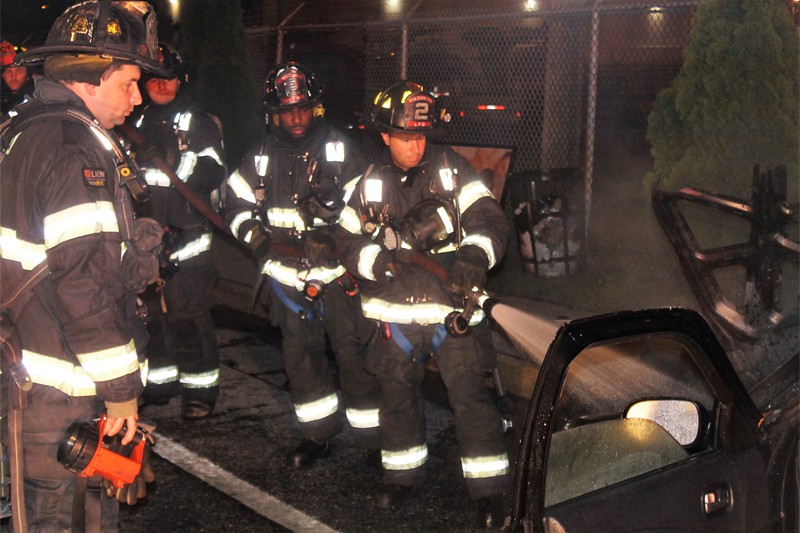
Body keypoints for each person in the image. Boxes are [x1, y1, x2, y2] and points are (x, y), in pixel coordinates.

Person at [0, 1, 170, 530]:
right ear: (88, 80)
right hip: (65, 398)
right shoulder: (76, 152)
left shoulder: (24, 133)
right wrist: (121, 392)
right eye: (128, 83)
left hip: (28, 386)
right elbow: (84, 287)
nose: (137, 98)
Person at [334, 80, 511, 528]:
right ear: (385, 136)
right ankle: (401, 476)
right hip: (392, 317)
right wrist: (378, 264)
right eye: (406, 137)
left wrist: (474, 254)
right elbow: (346, 239)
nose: (416, 145)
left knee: (470, 397)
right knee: (396, 397)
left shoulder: (452, 171)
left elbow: (489, 219)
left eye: (421, 136)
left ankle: (490, 490)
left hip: (450, 312)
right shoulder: (368, 185)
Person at [224, 62, 381, 468]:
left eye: (303, 109)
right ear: (272, 114)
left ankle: (373, 440)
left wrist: (330, 235)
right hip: (286, 280)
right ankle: (317, 435)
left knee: (354, 357)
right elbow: (234, 203)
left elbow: (366, 208)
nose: (296, 118)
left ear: (317, 108)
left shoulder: (341, 149)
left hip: (336, 279)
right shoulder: (259, 154)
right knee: (302, 361)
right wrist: (255, 238)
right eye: (287, 111)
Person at [127, 42, 226, 420]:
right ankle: (161, 383)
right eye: (155, 77)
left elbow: (212, 169)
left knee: (189, 319)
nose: (163, 85)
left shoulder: (198, 122)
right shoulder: (131, 121)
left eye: (170, 77)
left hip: (187, 243)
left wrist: (173, 158)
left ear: (180, 79)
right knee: (149, 318)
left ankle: (200, 391)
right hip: (144, 243)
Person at [0, 40, 35, 118]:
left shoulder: (38, 98)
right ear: (2, 75)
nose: (13, 77)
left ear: (28, 75)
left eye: (19, 71)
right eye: (8, 71)